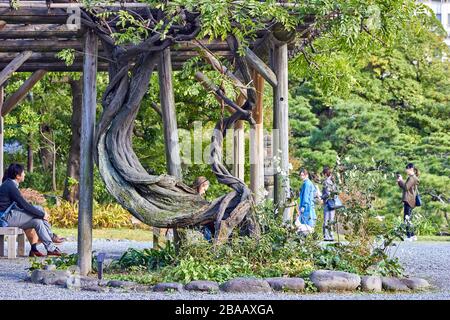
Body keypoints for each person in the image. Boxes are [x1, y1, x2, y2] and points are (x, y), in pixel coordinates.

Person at [0, 163, 64, 256]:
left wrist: (40, 214)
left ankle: (51, 249)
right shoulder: (10, 186)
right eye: (23, 172)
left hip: (8, 216)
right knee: (39, 212)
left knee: (37, 222)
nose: (25, 174)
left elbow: (22, 205)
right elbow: (24, 205)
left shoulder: (10, 184)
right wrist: (43, 215)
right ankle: (51, 236)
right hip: (5, 218)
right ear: (18, 176)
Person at [397, 163, 420, 241]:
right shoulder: (413, 177)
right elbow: (406, 187)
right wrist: (400, 182)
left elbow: (406, 187)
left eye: (406, 169)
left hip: (409, 200)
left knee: (406, 219)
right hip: (410, 200)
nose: (405, 170)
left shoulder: (412, 178)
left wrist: (401, 180)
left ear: (411, 169)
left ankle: (409, 236)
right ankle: (413, 235)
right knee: (408, 218)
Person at [193, 176, 214, 241]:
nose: (204, 192)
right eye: (204, 189)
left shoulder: (198, 198)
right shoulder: (192, 197)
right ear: (201, 186)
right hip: (197, 225)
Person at [321, 166, 337, 241]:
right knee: (331, 219)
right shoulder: (333, 181)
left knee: (326, 220)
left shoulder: (326, 182)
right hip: (333, 202)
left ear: (325, 174)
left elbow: (327, 194)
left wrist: (321, 196)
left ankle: (326, 235)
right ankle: (331, 235)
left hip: (327, 203)